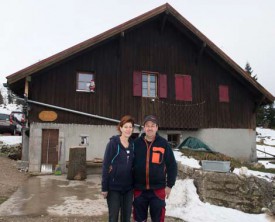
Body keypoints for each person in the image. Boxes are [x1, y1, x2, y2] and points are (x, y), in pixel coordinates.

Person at [133, 115, 177, 222]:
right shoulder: (136, 144)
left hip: (158, 190)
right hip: (139, 190)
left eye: (153, 125)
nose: (150, 128)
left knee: (157, 219)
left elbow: (172, 165)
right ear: (144, 128)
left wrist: (169, 185)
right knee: (139, 219)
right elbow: (129, 165)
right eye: (147, 125)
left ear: (157, 128)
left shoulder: (163, 144)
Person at [101, 115, 135, 222]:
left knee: (126, 218)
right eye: (126, 127)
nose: (128, 129)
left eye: (130, 127)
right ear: (120, 128)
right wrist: (104, 188)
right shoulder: (113, 144)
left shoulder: (133, 145)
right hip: (114, 188)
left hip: (128, 188)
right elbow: (106, 166)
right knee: (113, 217)